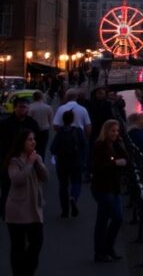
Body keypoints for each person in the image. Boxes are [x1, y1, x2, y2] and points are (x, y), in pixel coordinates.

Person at [5, 129, 48, 276]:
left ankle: (27, 271)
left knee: (37, 243)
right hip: (17, 209)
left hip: (34, 208)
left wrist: (38, 163)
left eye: (34, 139)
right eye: (29, 139)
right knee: (18, 247)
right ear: (22, 142)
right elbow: (17, 180)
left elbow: (45, 177)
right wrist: (29, 163)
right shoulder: (14, 160)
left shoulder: (36, 158)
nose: (33, 142)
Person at [91, 119, 128, 262]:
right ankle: (101, 251)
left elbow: (127, 159)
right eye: (113, 131)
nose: (115, 133)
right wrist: (115, 163)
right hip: (102, 187)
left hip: (114, 187)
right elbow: (98, 167)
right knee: (104, 219)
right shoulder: (99, 146)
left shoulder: (117, 144)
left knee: (117, 218)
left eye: (117, 131)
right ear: (106, 131)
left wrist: (121, 145)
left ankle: (106, 248)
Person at [0, 98, 40, 220]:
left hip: (28, 158)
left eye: (26, 107)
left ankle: (27, 210)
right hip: (9, 159)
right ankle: (6, 211)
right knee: (7, 186)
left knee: (28, 185)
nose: (24, 109)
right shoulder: (5, 123)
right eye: (21, 107)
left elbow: (38, 140)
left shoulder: (32, 123)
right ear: (15, 107)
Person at [51, 111, 86, 218]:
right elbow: (84, 145)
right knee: (77, 182)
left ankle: (65, 211)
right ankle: (73, 198)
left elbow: (53, 148)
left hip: (62, 163)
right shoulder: (78, 131)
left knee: (63, 186)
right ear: (73, 119)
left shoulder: (60, 132)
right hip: (75, 161)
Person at [26, 92, 53, 162]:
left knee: (33, 148)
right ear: (41, 97)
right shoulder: (48, 107)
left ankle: (33, 162)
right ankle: (41, 163)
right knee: (43, 148)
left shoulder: (30, 107)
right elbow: (50, 120)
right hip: (44, 130)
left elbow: (28, 120)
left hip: (34, 131)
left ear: (33, 98)